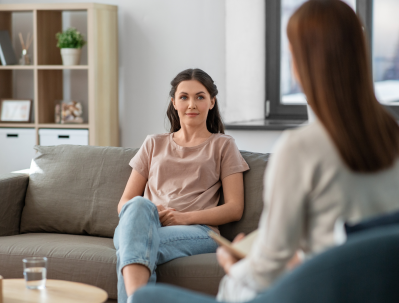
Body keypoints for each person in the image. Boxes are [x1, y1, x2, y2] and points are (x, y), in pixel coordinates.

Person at [131, 1, 399, 302]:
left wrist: (235, 265)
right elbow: (350, 242)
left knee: (146, 298)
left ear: (301, 64)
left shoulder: (300, 148)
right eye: (183, 97)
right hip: (370, 289)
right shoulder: (391, 136)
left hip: (309, 293)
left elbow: (267, 267)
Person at [114, 68, 250, 303]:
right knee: (137, 207)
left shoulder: (223, 145)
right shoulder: (153, 143)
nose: (192, 104)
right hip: (145, 224)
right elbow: (124, 204)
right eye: (184, 97)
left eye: (200, 96)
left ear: (212, 101)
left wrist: (182, 217)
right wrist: (154, 213)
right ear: (174, 103)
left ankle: (135, 298)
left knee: (133, 248)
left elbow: (235, 207)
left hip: (198, 231)